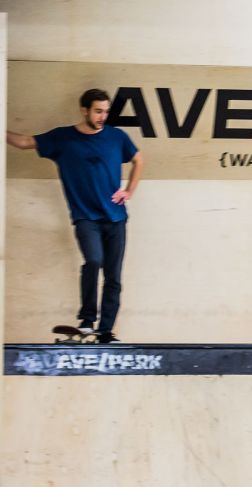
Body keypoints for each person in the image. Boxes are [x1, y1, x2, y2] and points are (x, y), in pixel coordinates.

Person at [7, 88, 143, 343]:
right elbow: (25, 142)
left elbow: (139, 160)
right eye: (98, 111)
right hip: (86, 218)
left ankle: (105, 331)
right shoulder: (64, 139)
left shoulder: (116, 137)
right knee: (93, 261)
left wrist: (129, 191)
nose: (103, 116)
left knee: (113, 276)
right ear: (84, 110)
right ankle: (87, 321)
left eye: (106, 111)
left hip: (116, 218)